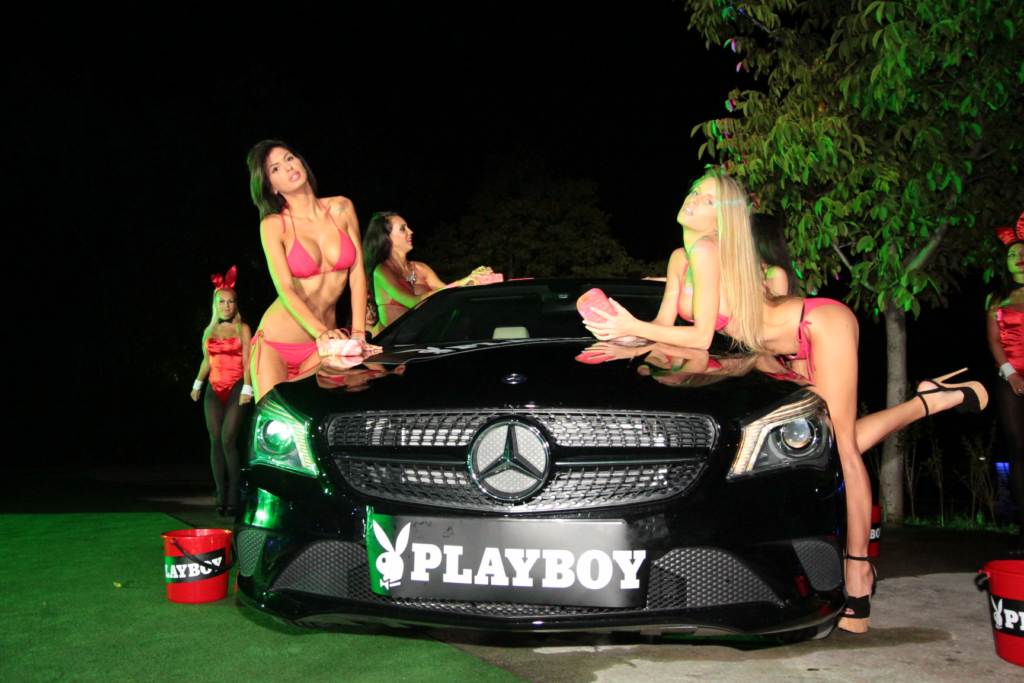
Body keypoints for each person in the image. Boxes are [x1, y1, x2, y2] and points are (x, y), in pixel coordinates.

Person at [584, 169, 987, 633]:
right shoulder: (681, 258)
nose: (694, 200)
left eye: (709, 200)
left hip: (818, 325)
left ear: (723, 220)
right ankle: (926, 402)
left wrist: (631, 328)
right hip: (778, 350)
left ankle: (858, 572)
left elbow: (699, 334)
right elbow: (671, 331)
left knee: (843, 449)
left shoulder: (709, 250)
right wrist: (628, 340)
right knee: (836, 438)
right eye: (695, 191)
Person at [246, 140, 373, 400]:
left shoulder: (342, 207)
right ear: (271, 186)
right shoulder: (273, 225)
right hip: (278, 344)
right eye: (275, 168)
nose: (288, 167)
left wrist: (359, 334)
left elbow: (358, 274)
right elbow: (285, 288)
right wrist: (320, 333)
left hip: (323, 346)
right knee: (271, 419)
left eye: (289, 158)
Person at [362, 211, 497, 334]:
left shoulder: (421, 268)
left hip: (421, 343)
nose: (411, 231)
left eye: (408, 227)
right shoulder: (382, 271)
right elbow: (413, 302)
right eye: (403, 229)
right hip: (390, 348)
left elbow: (450, 294)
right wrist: (461, 282)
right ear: (387, 238)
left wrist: (475, 280)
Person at [191, 266, 252, 516]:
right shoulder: (209, 331)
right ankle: (220, 494)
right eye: (222, 302)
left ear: (236, 305)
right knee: (215, 440)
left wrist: (248, 387)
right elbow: (207, 361)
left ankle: (234, 494)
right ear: (215, 305)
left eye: (231, 302)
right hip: (213, 389)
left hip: (237, 385)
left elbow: (248, 360)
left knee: (228, 439)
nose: (227, 306)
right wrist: (197, 384)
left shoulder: (243, 329)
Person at [986, 214, 1024, 540]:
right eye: (1013, 254)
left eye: (1023, 252)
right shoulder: (997, 298)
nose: (1019, 258)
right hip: (1009, 376)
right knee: (1017, 447)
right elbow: (994, 341)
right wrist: (1011, 374)